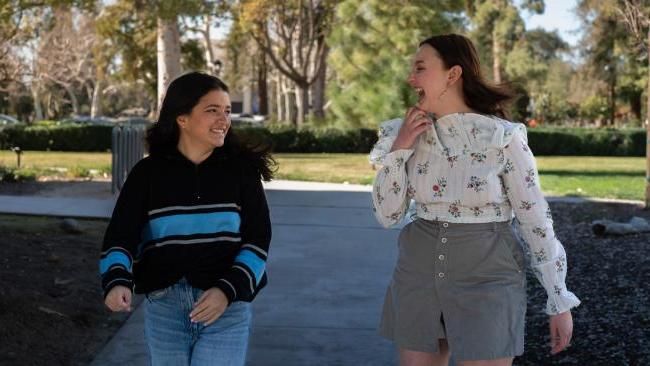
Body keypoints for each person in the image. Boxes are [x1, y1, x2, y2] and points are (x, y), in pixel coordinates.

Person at [370, 34, 580, 366]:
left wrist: (558, 297)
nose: (411, 78)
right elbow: (386, 214)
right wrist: (399, 150)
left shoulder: (502, 138)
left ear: (453, 75)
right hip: (417, 274)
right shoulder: (406, 134)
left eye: (420, 68)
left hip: (488, 278)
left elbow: (535, 220)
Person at [100, 71, 274, 366]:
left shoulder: (241, 173)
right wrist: (117, 281)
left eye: (227, 111)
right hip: (164, 308)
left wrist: (226, 291)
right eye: (212, 110)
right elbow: (120, 235)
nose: (224, 119)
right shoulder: (147, 174)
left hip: (226, 307)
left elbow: (258, 240)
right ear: (182, 118)